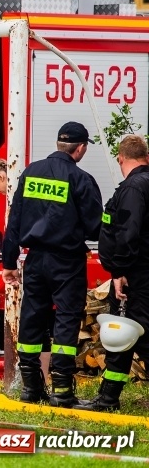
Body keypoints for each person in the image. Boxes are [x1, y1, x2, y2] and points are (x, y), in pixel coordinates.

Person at [2, 121, 102, 407]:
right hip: (67, 261)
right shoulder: (81, 179)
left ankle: (31, 388)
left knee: (32, 318)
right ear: (80, 148)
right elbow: (95, 228)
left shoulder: (31, 173)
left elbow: (15, 222)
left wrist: (9, 262)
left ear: (60, 144)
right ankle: (61, 390)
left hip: (34, 260)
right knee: (67, 320)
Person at [76, 135, 149, 411]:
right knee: (128, 335)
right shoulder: (141, 185)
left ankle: (107, 399)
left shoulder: (133, 188)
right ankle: (108, 398)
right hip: (138, 273)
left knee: (130, 334)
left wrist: (119, 270)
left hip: (135, 276)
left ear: (120, 158)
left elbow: (128, 234)